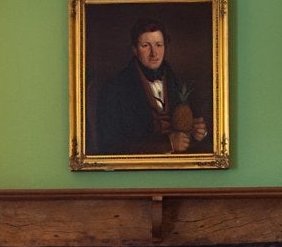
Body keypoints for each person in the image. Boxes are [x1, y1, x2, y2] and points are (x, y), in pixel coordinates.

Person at [88, 20, 211, 156]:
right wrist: (167, 144)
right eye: (145, 46)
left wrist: (200, 132)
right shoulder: (114, 88)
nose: (154, 53)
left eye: (159, 45)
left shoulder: (178, 84)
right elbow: (109, 146)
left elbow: (194, 126)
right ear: (134, 49)